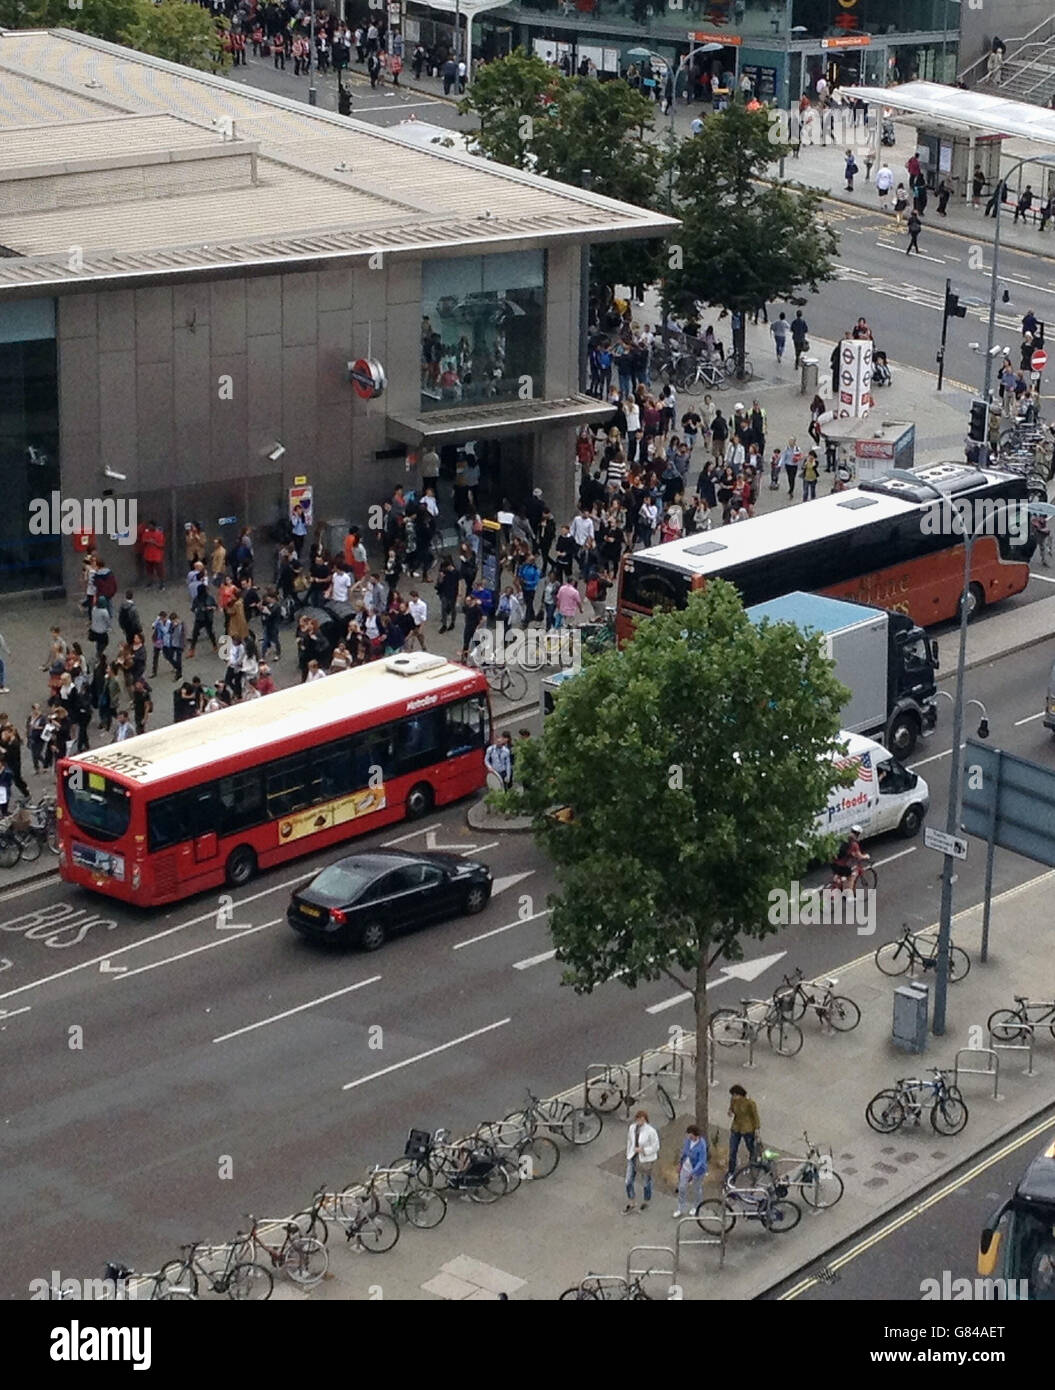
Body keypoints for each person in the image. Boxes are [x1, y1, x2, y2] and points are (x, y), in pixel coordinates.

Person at [624, 1109, 660, 1213]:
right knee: (628, 1181)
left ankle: (646, 1201)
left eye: (642, 1119)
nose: (639, 1121)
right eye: (638, 1119)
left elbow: (656, 1146)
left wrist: (643, 1150)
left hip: (645, 1159)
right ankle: (632, 1202)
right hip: (633, 1157)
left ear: (645, 1120)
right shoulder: (632, 1128)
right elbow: (629, 1141)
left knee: (645, 1182)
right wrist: (628, 1153)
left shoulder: (651, 1131)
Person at [673, 1124, 709, 1219]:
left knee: (696, 1189)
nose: (689, 1137)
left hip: (697, 1171)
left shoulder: (701, 1145)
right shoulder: (688, 1141)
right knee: (681, 1187)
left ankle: (696, 1206)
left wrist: (693, 1173)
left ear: (696, 1135)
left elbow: (701, 1160)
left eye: (690, 1135)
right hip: (685, 1167)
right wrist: (680, 1164)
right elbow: (684, 1153)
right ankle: (680, 1208)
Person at [727, 1085, 760, 1176]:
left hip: (747, 1128)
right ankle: (731, 1170)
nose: (733, 1097)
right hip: (736, 1127)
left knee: (750, 1147)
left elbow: (755, 1116)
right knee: (733, 1149)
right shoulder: (733, 1100)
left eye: (735, 1095)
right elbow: (731, 1108)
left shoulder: (750, 1103)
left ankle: (752, 1163)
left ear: (740, 1094)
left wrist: (757, 1129)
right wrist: (730, 1112)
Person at [831, 823, 870, 890]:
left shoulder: (843, 838)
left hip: (833, 862)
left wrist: (852, 854)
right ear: (858, 834)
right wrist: (866, 856)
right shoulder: (854, 844)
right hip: (841, 865)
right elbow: (859, 856)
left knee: (838, 875)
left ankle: (836, 884)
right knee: (851, 876)